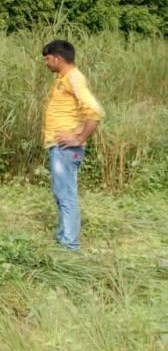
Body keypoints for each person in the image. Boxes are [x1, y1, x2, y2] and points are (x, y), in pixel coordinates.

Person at [41, 40, 104, 251]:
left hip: (66, 149)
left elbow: (94, 111)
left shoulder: (74, 78)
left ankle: (69, 244)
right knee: (61, 192)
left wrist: (78, 137)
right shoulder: (63, 79)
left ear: (58, 58)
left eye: (47, 59)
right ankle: (64, 236)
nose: (46, 63)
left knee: (66, 193)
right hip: (58, 147)